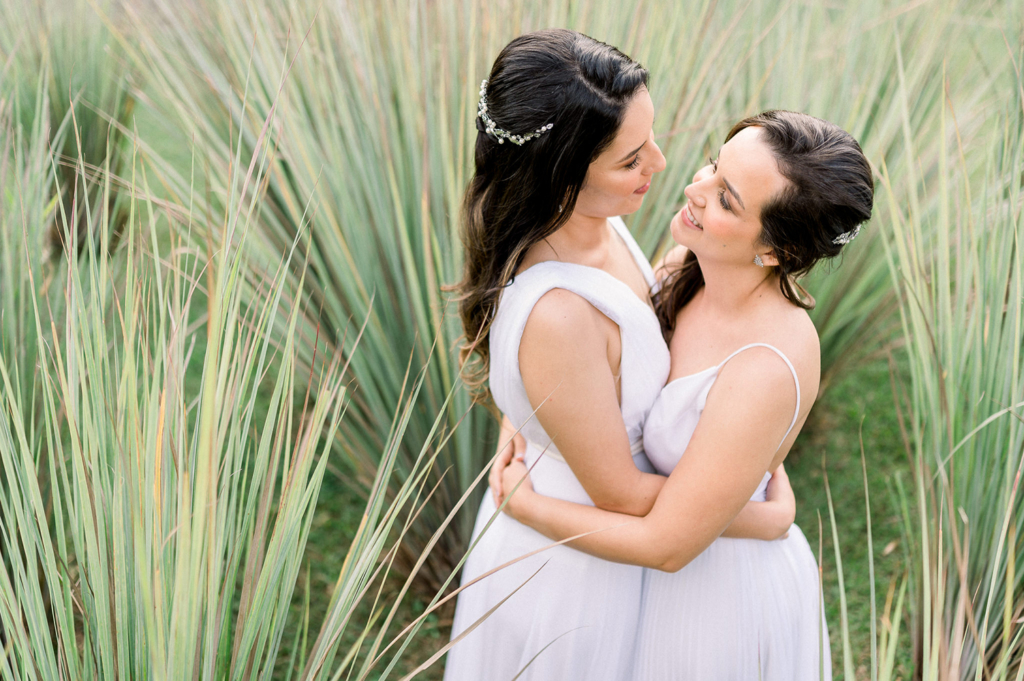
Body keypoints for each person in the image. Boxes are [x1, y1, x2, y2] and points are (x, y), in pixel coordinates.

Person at [445, 30, 794, 681]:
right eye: (631, 158)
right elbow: (625, 496)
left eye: (651, 137)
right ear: (561, 176)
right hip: (576, 578)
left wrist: (522, 423)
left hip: (591, 540)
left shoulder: (587, 222)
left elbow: (560, 385)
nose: (660, 164)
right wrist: (764, 512)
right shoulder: (558, 313)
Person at [497, 110, 874, 680]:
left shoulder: (766, 366)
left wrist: (525, 506)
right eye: (713, 167)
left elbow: (668, 546)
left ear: (775, 252)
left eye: (727, 199)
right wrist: (526, 419)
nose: (694, 189)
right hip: (647, 578)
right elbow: (588, 371)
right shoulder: (686, 266)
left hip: (717, 598)